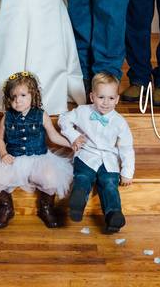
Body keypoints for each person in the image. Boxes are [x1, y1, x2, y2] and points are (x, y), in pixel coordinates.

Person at [0, 72, 74, 229]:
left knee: (51, 178)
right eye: (13, 97)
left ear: (33, 95)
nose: (17, 100)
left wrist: (71, 144)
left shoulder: (42, 115)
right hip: (14, 157)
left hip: (39, 158)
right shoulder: (7, 117)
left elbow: (53, 136)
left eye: (23, 95)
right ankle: (6, 207)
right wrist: (4, 153)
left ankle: (46, 207)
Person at [58, 73, 135, 234]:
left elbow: (126, 148)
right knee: (83, 177)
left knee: (109, 183)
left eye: (111, 98)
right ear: (92, 96)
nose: (106, 103)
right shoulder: (82, 111)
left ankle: (113, 214)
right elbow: (63, 119)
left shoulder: (120, 122)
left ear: (117, 99)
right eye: (101, 97)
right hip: (86, 154)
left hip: (109, 160)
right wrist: (74, 136)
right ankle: (77, 204)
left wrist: (127, 172)